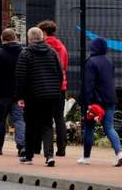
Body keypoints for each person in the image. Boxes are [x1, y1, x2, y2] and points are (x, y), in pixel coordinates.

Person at [14, 27, 63, 166]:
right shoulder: (52, 52)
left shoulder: (26, 54)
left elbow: (21, 76)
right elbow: (59, 73)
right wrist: (56, 90)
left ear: (29, 39)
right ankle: (49, 156)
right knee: (47, 125)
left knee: (30, 124)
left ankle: (29, 155)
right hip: (51, 95)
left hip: (32, 95)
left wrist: (20, 96)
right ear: (43, 38)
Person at [77, 37, 122, 167]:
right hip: (110, 99)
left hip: (95, 101)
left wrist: (85, 103)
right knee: (109, 127)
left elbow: (88, 85)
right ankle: (119, 153)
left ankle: (86, 157)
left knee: (89, 127)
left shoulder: (91, 62)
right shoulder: (109, 61)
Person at [0, 28, 25, 156]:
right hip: (18, 93)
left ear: (3, 39)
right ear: (15, 38)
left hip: (1, 93)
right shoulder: (23, 52)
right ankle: (22, 146)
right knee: (19, 119)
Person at [38, 20, 69, 157]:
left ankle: (42, 148)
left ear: (44, 32)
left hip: (44, 86)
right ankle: (61, 149)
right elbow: (65, 66)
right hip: (60, 86)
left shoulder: (41, 47)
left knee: (45, 119)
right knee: (59, 117)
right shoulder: (61, 47)